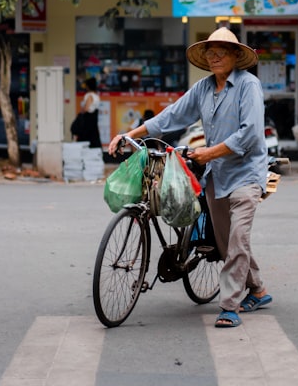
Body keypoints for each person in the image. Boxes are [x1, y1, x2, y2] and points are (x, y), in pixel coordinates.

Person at [107, 27, 270, 329]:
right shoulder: (203, 88)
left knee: (237, 238)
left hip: (247, 173)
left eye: (222, 50)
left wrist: (209, 153)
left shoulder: (249, 86)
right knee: (225, 243)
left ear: (236, 55)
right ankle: (258, 289)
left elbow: (249, 134)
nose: (215, 56)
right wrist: (129, 134)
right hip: (217, 176)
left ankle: (229, 306)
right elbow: (170, 116)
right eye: (210, 51)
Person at [75, 77, 102, 148]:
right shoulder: (97, 96)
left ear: (88, 86)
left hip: (87, 121)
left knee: (84, 139)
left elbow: (86, 108)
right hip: (94, 120)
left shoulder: (89, 95)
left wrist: (81, 111)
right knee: (94, 139)